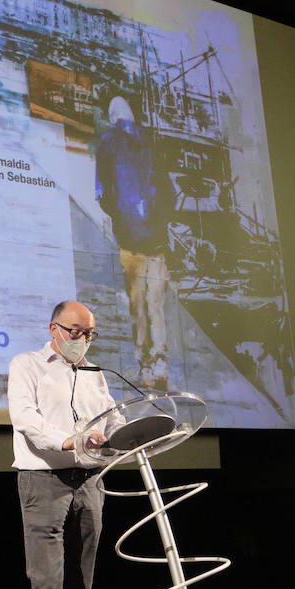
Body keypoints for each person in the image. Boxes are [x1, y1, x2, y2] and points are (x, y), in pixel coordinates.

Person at [7, 301, 122, 589]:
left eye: (89, 334)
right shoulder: (27, 364)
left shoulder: (95, 374)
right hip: (44, 482)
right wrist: (73, 440)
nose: (82, 340)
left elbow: (113, 419)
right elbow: (27, 421)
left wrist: (115, 434)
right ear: (54, 328)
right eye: (75, 332)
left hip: (91, 483)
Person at [95, 96, 171, 387]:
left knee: (137, 304)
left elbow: (103, 194)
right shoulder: (151, 141)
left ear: (113, 116)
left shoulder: (106, 144)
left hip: (129, 241)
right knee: (156, 304)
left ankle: (145, 367)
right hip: (157, 241)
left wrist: (119, 219)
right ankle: (161, 361)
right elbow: (168, 191)